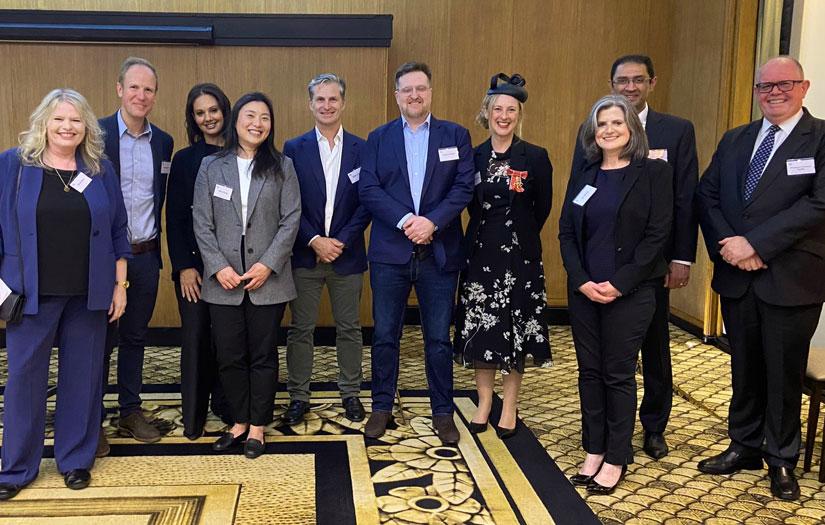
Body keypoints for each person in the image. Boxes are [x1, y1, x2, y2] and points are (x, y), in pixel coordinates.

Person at [695, 56, 825, 501]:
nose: (773, 92)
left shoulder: (822, 138)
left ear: (803, 86)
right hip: (738, 277)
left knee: (784, 372)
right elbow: (707, 194)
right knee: (744, 366)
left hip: (792, 277)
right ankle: (744, 445)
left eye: (783, 84)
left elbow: (819, 206)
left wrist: (756, 245)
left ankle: (782, 458)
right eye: (764, 86)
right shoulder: (737, 139)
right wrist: (730, 244)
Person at [0, 89, 130, 500]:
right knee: (23, 379)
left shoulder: (99, 169)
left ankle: (74, 459)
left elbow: (117, 231)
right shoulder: (13, 166)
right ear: (43, 122)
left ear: (87, 126)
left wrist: (119, 284)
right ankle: (17, 467)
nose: (67, 127)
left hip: (87, 293)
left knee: (84, 377)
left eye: (75, 120)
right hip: (28, 293)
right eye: (59, 119)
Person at [571, 54, 699, 459]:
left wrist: (682, 257)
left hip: (645, 273)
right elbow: (572, 217)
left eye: (637, 80)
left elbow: (683, 202)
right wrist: (580, 276)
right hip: (592, 277)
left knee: (653, 349)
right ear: (611, 85)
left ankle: (654, 427)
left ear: (651, 82)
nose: (629, 87)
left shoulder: (675, 132)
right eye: (621, 81)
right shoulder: (590, 147)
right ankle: (600, 442)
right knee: (599, 368)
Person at [559, 94, 672, 495]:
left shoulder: (653, 173)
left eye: (616, 123)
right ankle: (594, 448)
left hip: (632, 291)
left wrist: (621, 282)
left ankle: (617, 455)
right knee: (589, 372)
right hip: (585, 291)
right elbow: (567, 234)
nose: (608, 130)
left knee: (617, 373)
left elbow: (658, 236)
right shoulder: (585, 173)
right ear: (593, 132)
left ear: (632, 130)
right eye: (601, 124)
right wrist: (580, 279)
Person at [359, 61, 474, 445]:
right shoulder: (377, 138)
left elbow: (462, 189)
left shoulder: (455, 135)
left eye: (420, 88)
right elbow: (370, 190)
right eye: (406, 89)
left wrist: (432, 223)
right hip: (390, 253)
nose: (414, 95)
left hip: (439, 254)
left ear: (430, 91)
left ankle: (442, 411)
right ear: (396, 96)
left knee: (438, 338)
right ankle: (381, 407)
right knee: (385, 336)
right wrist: (409, 220)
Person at [193, 92, 301, 459]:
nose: (257, 123)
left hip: (266, 280)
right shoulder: (211, 165)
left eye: (265, 117)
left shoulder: (282, 165)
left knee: (263, 355)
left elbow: (291, 220)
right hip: (222, 281)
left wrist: (267, 264)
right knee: (229, 355)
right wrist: (218, 267)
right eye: (250, 115)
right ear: (236, 120)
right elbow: (201, 222)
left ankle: (258, 426)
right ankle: (238, 421)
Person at [453, 73, 552, 439]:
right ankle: (483, 402)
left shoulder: (536, 157)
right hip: (480, 256)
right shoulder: (474, 156)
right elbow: (467, 203)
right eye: (498, 109)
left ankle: (509, 406)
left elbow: (543, 207)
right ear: (487, 112)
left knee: (516, 334)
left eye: (511, 109)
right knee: (483, 332)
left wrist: (518, 236)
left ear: (518, 114)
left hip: (520, 260)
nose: (504, 115)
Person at [283, 73, 370, 425]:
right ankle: (298, 397)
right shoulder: (294, 148)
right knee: (300, 329)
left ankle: (350, 392)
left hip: (347, 255)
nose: (327, 105)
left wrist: (341, 241)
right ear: (310, 105)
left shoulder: (363, 149)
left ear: (344, 103)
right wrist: (314, 239)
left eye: (333, 99)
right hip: (305, 254)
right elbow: (288, 204)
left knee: (349, 327)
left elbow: (367, 202)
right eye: (320, 99)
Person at [98, 56, 174, 452]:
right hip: (102, 260)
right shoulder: (93, 135)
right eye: (134, 87)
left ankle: (129, 410)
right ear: (119, 90)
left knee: (135, 337)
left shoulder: (163, 142)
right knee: (97, 339)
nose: (140, 95)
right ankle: (90, 419)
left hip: (144, 256)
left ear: (155, 95)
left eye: (148, 89)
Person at [166, 83, 232, 439]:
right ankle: (193, 417)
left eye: (213, 110)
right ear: (193, 119)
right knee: (194, 339)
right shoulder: (185, 159)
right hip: (194, 269)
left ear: (225, 110)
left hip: (232, 270)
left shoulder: (241, 153)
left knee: (227, 341)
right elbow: (175, 217)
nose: (208, 118)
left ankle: (225, 405)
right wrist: (184, 267)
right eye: (200, 112)